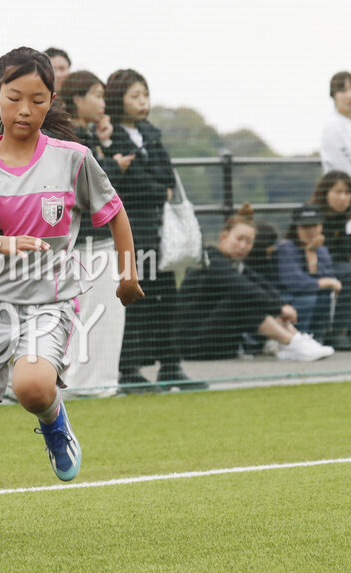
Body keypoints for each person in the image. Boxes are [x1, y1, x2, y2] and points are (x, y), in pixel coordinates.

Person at [0, 47, 144, 541]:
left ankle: (53, 420)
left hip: (49, 302)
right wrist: (3, 243)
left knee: (31, 387)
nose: (24, 110)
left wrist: (127, 274)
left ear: (52, 100)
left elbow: (114, 212)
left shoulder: (73, 159)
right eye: (14, 98)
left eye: (37, 99)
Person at [103, 68, 204, 393]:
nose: (142, 101)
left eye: (145, 94)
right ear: (118, 98)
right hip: (132, 231)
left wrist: (153, 184)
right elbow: (130, 184)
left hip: (160, 233)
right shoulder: (109, 135)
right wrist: (157, 188)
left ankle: (170, 365)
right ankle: (128, 369)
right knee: (135, 300)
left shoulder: (151, 134)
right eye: (135, 95)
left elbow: (165, 176)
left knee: (166, 299)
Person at [177, 203, 334, 362]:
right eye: (239, 239)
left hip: (222, 345)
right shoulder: (210, 260)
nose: (243, 246)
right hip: (193, 344)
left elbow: (262, 285)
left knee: (256, 296)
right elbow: (242, 287)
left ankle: (296, 339)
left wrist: (281, 304)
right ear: (224, 236)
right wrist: (279, 308)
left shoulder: (237, 265)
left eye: (249, 242)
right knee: (242, 297)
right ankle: (291, 343)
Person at [59, 70, 125, 397]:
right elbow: (93, 181)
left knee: (106, 317)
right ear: (77, 98)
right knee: (91, 316)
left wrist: (107, 145)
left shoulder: (91, 135)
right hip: (80, 244)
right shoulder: (67, 137)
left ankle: (98, 383)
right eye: (96, 95)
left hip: (98, 242)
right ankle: (85, 385)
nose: (102, 103)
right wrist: (114, 164)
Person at [275, 205, 343, 343]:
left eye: (315, 225)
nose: (311, 231)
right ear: (296, 228)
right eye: (305, 226)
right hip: (288, 298)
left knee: (323, 295)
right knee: (308, 298)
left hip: (312, 297)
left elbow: (329, 275)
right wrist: (324, 282)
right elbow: (295, 283)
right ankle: (296, 340)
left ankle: (316, 339)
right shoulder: (286, 248)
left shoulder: (321, 250)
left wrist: (311, 254)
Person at [307, 170, 351, 349]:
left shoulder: (343, 218)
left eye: (347, 192)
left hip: (337, 264)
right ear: (325, 192)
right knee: (350, 274)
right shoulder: (313, 215)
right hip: (312, 266)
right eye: (338, 192)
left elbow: (345, 252)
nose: (343, 197)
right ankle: (339, 332)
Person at [319, 71, 351, 234]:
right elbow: (345, 171)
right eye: (343, 90)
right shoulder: (332, 126)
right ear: (333, 95)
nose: (350, 95)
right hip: (344, 208)